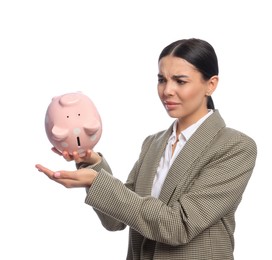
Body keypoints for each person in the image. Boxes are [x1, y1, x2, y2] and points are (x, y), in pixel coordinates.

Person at [36, 38, 257, 260]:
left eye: (180, 81)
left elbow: (179, 226)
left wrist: (95, 181)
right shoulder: (153, 143)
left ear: (211, 84)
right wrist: (90, 163)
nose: (167, 90)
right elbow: (116, 220)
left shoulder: (235, 147)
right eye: (162, 80)